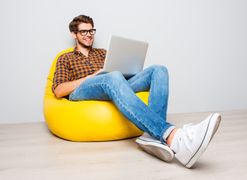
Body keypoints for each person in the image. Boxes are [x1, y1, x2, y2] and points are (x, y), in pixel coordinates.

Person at [52, 14, 221, 168]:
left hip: (115, 84)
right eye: (84, 32)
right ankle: (173, 137)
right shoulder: (65, 58)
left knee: (159, 70)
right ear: (74, 34)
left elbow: (120, 75)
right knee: (113, 76)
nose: (89, 35)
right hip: (82, 92)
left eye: (92, 30)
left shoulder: (103, 53)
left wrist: (128, 70)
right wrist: (92, 77)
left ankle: (152, 137)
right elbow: (59, 90)